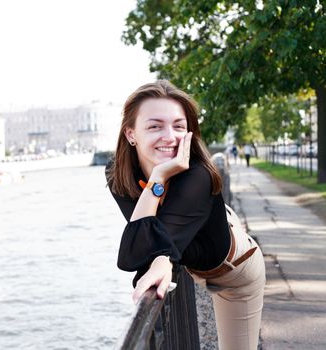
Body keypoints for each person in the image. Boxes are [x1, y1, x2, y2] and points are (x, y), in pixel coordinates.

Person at [105, 80, 265, 350]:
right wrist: (159, 177)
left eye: (179, 126)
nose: (169, 136)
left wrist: (157, 182)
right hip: (199, 238)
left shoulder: (198, 175)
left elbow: (147, 246)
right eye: (155, 126)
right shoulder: (118, 174)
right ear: (131, 133)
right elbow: (136, 251)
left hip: (235, 269)